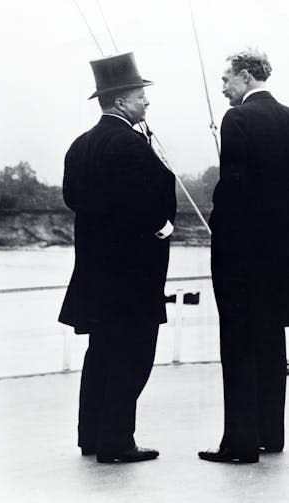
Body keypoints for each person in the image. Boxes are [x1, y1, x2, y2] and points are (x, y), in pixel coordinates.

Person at [199, 48, 289, 463]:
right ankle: (270, 434)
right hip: (279, 251)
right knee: (270, 339)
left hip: (241, 251)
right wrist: (287, 186)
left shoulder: (237, 118)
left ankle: (240, 444)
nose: (223, 86)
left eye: (226, 79)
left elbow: (234, 185)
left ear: (245, 77)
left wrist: (222, 221)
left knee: (239, 342)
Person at [58, 52, 176, 463]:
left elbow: (74, 198)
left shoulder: (80, 145)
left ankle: (91, 436)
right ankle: (117, 441)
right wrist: (163, 226)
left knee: (101, 353)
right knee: (133, 355)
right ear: (122, 101)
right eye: (141, 96)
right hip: (132, 276)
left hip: (94, 274)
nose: (147, 103)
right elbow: (146, 201)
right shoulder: (130, 144)